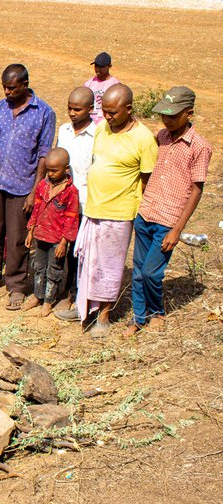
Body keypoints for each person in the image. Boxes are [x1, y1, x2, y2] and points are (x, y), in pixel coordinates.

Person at [55, 84, 158, 337]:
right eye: (106, 111)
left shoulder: (143, 138)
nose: (108, 117)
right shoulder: (102, 128)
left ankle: (104, 315)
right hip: (93, 207)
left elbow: (147, 180)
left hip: (120, 211)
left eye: (113, 112)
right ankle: (85, 308)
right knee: (88, 261)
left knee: (109, 266)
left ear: (129, 109)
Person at [126, 87, 212, 336]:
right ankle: (139, 317)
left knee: (152, 272)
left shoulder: (199, 147)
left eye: (173, 116)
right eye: (164, 115)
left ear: (189, 113)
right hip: (146, 214)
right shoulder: (161, 136)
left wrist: (177, 230)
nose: (166, 120)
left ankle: (157, 312)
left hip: (168, 219)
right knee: (139, 270)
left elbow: (196, 190)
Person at [0, 64, 56, 311]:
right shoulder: (1, 108)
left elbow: (43, 153)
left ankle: (16, 285)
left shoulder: (44, 112)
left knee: (17, 238)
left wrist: (34, 190)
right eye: (5, 87)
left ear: (25, 84)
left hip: (22, 184)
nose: (7, 92)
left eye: (12, 88)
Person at [23, 147, 79, 316]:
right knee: (39, 267)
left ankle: (48, 300)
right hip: (41, 235)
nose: (51, 174)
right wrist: (30, 231)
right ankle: (38, 296)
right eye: (48, 170)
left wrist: (64, 242)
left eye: (55, 170)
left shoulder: (71, 192)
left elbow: (71, 219)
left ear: (66, 169)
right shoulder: (42, 186)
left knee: (54, 271)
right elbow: (36, 209)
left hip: (56, 240)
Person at [54, 87, 96, 315]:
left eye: (77, 109)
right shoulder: (64, 130)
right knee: (58, 247)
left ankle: (74, 292)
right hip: (62, 200)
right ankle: (58, 290)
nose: (72, 113)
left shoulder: (98, 134)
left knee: (77, 251)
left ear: (91, 109)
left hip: (84, 202)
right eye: (69, 108)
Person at [84, 52, 120, 124]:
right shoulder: (89, 84)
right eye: (96, 66)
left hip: (106, 123)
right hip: (90, 123)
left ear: (109, 66)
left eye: (101, 67)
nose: (98, 69)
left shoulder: (116, 85)